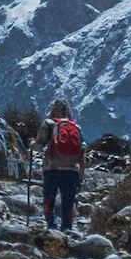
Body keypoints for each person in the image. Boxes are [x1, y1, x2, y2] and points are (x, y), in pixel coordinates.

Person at [35, 99, 84, 231]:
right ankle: (67, 228)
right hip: (72, 170)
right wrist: (81, 175)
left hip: (52, 168)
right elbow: (82, 151)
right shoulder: (76, 127)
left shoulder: (48, 124)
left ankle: (51, 227)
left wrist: (31, 144)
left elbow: (39, 146)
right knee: (68, 202)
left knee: (49, 199)